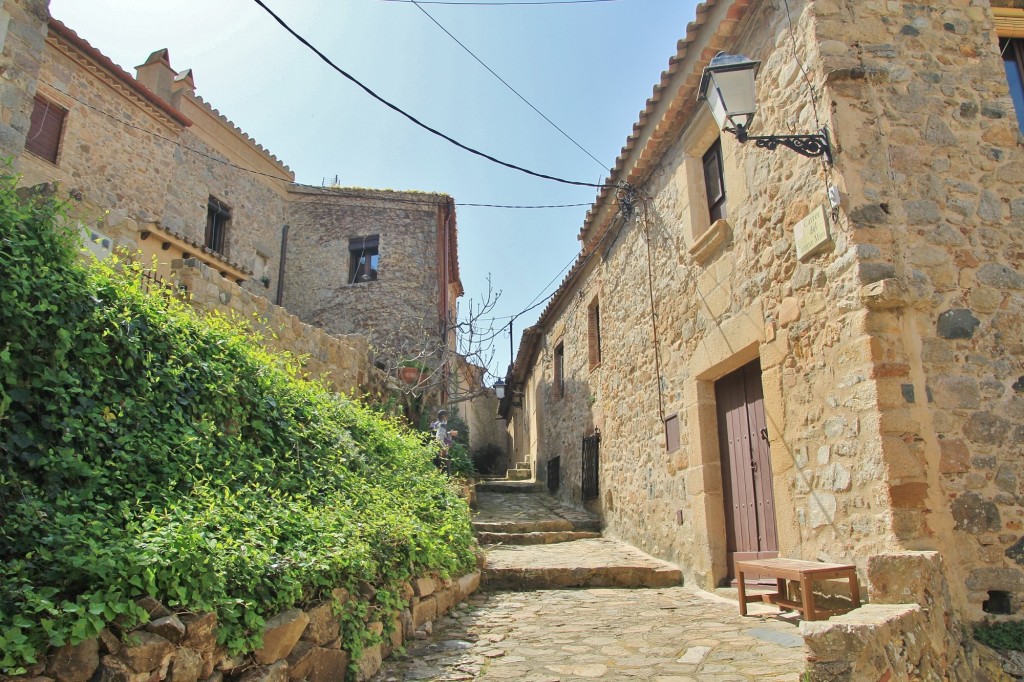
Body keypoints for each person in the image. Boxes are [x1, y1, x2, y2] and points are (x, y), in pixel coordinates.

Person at [430, 409, 458, 473]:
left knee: (437, 473)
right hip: (441, 453)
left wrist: (449, 433)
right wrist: (444, 448)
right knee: (446, 474)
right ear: (443, 416)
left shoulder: (435, 424)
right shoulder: (442, 425)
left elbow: (437, 435)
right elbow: (439, 437)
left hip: (433, 451)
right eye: (447, 417)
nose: (447, 419)